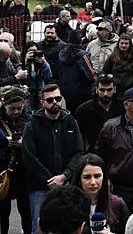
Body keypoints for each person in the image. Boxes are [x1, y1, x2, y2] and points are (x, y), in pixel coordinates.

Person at [21, 84, 84, 234]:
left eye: (58, 98)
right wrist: (51, 179)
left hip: (67, 184)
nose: (55, 102)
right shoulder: (32, 125)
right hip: (39, 187)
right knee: (39, 226)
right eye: (50, 100)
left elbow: (80, 151)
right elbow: (29, 157)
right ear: (42, 103)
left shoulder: (71, 122)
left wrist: (64, 176)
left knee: (67, 225)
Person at [71, 153, 130, 234]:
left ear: (104, 178)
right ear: (79, 180)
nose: (93, 182)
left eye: (97, 176)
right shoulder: (69, 206)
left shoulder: (117, 204)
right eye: (87, 177)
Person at [0, 87, 31, 234]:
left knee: (27, 214)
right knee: (2, 217)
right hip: (3, 172)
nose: (16, 112)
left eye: (20, 108)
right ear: (4, 105)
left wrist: (23, 144)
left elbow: (38, 143)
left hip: (23, 173)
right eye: (12, 109)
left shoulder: (29, 119)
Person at [75, 74, 123, 151]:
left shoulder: (122, 107)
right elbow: (79, 136)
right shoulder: (84, 110)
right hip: (94, 153)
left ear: (114, 89)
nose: (106, 94)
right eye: (102, 90)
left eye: (109, 90)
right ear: (96, 90)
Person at [58, 31, 95, 114]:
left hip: (66, 92)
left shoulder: (62, 54)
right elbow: (90, 74)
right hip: (82, 93)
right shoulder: (83, 55)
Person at [102, 36, 133, 101]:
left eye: (126, 43)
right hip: (116, 90)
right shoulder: (112, 57)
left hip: (130, 89)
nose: (123, 45)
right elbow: (106, 71)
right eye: (122, 43)